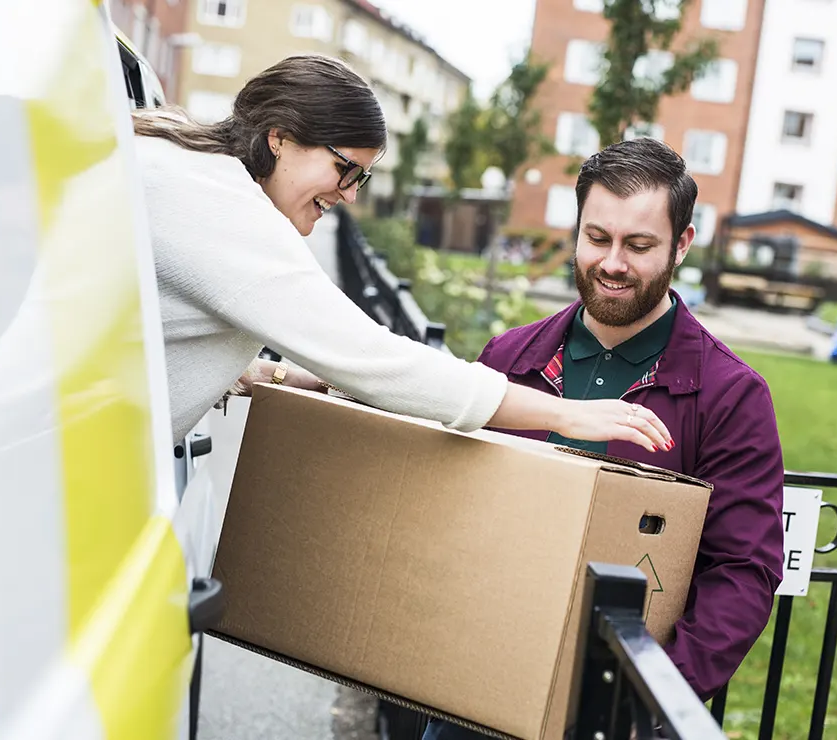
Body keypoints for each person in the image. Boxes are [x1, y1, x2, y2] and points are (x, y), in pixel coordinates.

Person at [423, 139, 785, 740]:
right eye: (597, 238)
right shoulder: (508, 357)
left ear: (683, 244)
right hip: (477, 687)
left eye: (639, 246)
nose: (612, 262)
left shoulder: (732, 396)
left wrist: (653, 696)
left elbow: (742, 571)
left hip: (614, 709)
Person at [130, 54, 671, 453]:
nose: (350, 195)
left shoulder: (189, 175)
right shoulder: (224, 210)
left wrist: (271, 375)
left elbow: (154, 332)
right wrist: (565, 415)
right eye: (345, 168)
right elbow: (375, 358)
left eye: (361, 177)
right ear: (280, 138)